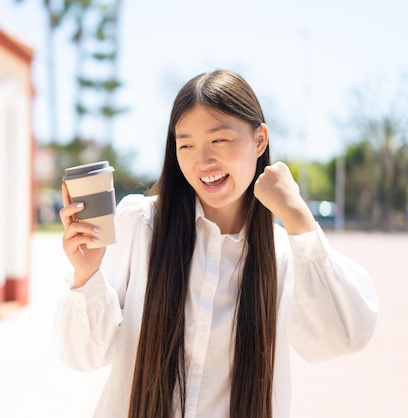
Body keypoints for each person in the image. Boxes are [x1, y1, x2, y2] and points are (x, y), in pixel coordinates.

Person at [56, 69, 378, 418]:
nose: (202, 161)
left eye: (219, 140)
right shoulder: (141, 224)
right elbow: (84, 356)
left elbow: (342, 338)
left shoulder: (283, 254)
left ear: (259, 140)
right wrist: (86, 275)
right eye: (186, 144)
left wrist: (298, 218)